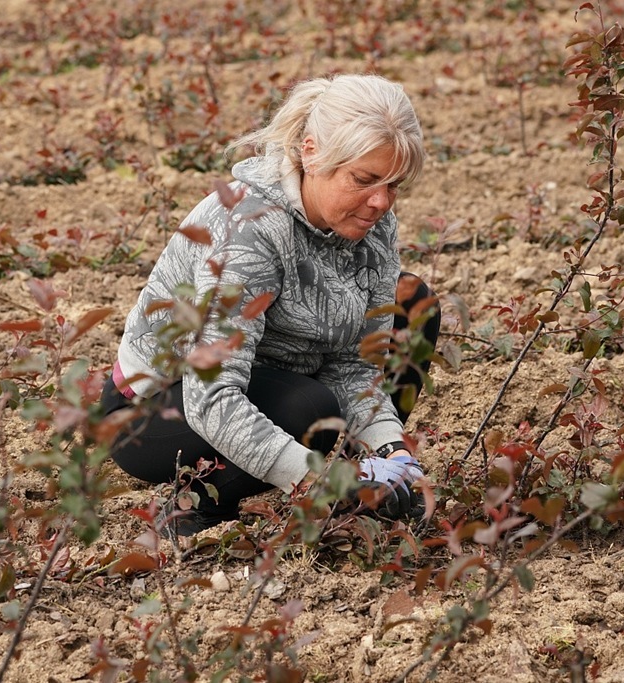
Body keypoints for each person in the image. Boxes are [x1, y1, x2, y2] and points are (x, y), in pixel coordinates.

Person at [100, 73, 441, 535]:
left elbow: (356, 367)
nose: (380, 201)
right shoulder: (251, 230)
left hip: (275, 378)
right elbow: (212, 398)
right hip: (159, 409)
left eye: (394, 184)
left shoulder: (375, 223)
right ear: (311, 152)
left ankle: (364, 485)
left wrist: (392, 451)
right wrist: (320, 478)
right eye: (363, 179)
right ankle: (196, 504)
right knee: (310, 407)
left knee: (413, 305)